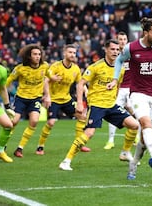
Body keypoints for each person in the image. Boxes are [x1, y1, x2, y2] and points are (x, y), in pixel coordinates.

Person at [108, 17, 152, 180]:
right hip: (138, 94)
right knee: (146, 124)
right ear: (146, 33)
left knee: (143, 139)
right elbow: (119, 60)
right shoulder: (131, 48)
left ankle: (133, 166)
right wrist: (114, 79)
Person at [58, 39, 139, 171]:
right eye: (112, 49)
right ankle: (66, 161)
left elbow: (117, 85)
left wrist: (117, 100)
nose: (115, 52)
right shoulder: (95, 66)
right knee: (89, 133)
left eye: (117, 50)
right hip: (96, 105)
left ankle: (125, 152)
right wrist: (80, 103)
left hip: (111, 105)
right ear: (105, 50)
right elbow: (80, 84)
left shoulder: (121, 68)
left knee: (134, 125)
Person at [36, 44, 89, 155]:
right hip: (54, 99)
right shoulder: (55, 66)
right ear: (64, 53)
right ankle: (40, 146)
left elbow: (80, 83)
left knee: (82, 116)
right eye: (70, 52)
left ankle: (79, 144)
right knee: (51, 122)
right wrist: (48, 96)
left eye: (74, 53)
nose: (72, 55)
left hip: (66, 99)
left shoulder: (75, 69)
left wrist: (86, 91)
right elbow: (46, 80)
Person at [2, 44, 51, 158]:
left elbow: (48, 76)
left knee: (34, 121)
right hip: (21, 98)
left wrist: (48, 94)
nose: (38, 56)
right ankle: (3, 145)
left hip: (35, 99)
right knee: (13, 122)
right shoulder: (20, 68)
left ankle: (20, 149)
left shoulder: (45, 66)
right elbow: (8, 81)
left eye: (39, 54)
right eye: (35, 54)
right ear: (29, 56)